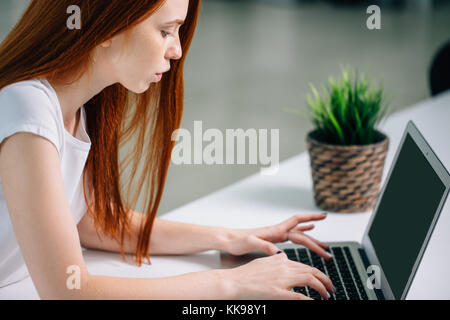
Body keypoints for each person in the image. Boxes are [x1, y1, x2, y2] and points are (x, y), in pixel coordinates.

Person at [0, 0, 334, 299]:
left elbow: (89, 221)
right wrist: (231, 285)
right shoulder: (27, 108)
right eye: (165, 31)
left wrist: (227, 238)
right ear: (103, 27)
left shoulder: (79, 105)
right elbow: (68, 291)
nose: (176, 50)